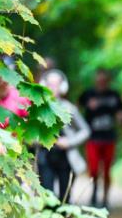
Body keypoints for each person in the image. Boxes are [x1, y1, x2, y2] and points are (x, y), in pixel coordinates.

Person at [37, 69, 90, 204]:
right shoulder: (37, 107)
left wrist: (69, 142)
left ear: (62, 87)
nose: (52, 88)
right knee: (47, 197)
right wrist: (41, 139)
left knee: (65, 198)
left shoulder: (70, 108)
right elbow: (30, 133)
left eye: (56, 85)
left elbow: (85, 131)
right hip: (45, 157)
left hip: (66, 158)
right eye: (50, 84)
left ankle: (64, 216)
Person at [78, 68, 122, 208]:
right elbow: (75, 110)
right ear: (95, 81)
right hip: (92, 138)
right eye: (99, 80)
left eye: (104, 80)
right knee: (93, 169)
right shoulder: (88, 94)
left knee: (106, 170)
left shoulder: (114, 95)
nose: (101, 82)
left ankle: (105, 199)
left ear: (108, 81)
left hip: (109, 138)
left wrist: (121, 117)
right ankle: (94, 193)